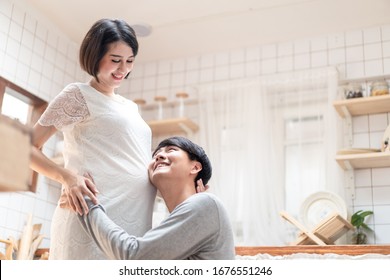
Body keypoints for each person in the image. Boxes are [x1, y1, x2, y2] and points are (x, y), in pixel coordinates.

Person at [30, 18, 157, 259]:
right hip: (91, 218)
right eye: (115, 60)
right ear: (94, 56)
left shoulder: (130, 107)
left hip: (133, 224)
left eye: (130, 61)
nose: (123, 69)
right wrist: (67, 177)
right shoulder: (78, 95)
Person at [79, 136, 236, 260]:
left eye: (171, 150)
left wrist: (86, 202)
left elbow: (134, 257)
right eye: (155, 154)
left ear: (195, 167)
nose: (159, 155)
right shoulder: (192, 212)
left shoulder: (205, 203)